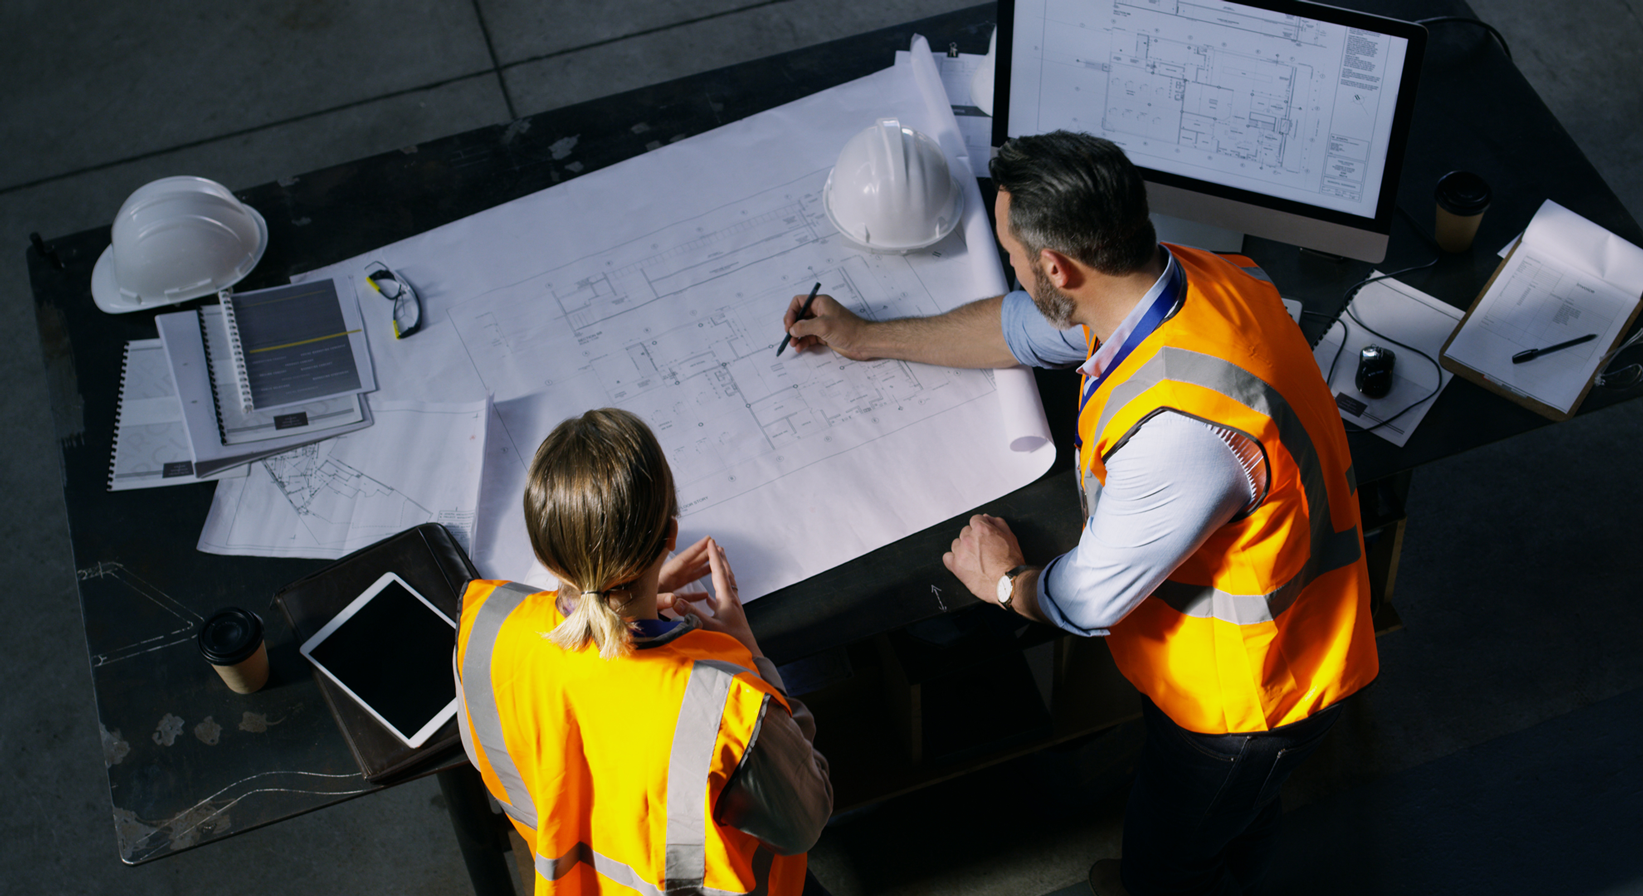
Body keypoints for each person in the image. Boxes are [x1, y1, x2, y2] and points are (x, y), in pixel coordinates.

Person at [782, 132, 1377, 895]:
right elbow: (1020, 329)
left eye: (1013, 253)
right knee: (1234, 822)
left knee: (1176, 854)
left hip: (1251, 696)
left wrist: (1003, 583)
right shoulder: (1192, 277)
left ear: (1056, 266)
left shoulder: (1183, 436)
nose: (1012, 268)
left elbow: (1089, 601)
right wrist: (865, 338)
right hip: (1287, 636)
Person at [453, 408, 833, 895]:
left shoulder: (485, 623)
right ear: (671, 537)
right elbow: (807, 817)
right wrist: (751, 652)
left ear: (547, 554)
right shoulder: (728, 711)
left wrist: (624, 601)